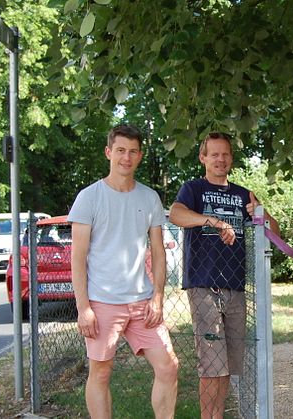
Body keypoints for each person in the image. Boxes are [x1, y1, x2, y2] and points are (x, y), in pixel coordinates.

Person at [69, 124, 178, 419]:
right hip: (102, 302)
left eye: (132, 152)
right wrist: (83, 308)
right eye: (120, 151)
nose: (126, 158)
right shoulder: (89, 198)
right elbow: (77, 258)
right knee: (101, 374)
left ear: (140, 156)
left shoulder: (150, 198)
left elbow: (157, 252)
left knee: (168, 366)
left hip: (143, 302)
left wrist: (157, 297)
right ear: (108, 152)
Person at [169, 132, 279, 419]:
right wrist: (212, 220)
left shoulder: (244, 195)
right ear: (203, 157)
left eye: (225, 154)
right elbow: (176, 214)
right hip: (204, 286)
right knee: (211, 363)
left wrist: (262, 214)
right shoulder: (194, 189)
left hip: (235, 288)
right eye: (214, 154)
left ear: (231, 158)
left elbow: (275, 235)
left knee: (229, 364)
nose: (220, 159)